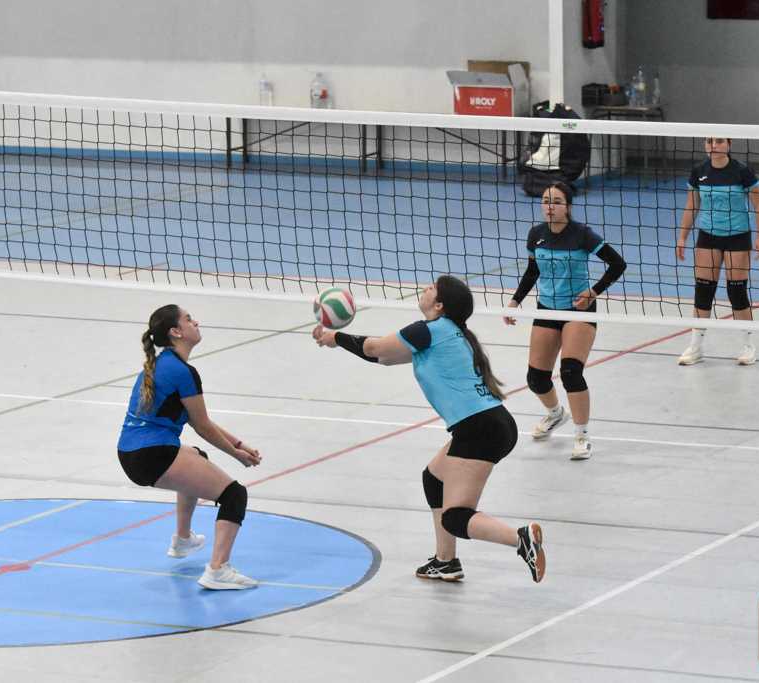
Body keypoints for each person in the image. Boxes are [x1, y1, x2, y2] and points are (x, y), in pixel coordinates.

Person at [313, 275, 546, 583]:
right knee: (434, 479)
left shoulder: (427, 331)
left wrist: (337, 337)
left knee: (456, 517)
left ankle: (521, 539)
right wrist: (340, 340)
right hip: (490, 424)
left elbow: (374, 347)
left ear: (439, 305)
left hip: (479, 428)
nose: (425, 288)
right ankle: (445, 562)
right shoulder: (444, 333)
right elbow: (383, 357)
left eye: (433, 288)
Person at [117, 304, 263, 590]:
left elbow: (199, 420)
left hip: (131, 454)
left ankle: (183, 540)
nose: (196, 322)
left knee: (197, 456)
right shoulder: (183, 372)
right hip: (153, 455)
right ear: (176, 332)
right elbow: (202, 425)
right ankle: (218, 570)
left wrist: (239, 443)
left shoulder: (161, 364)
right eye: (188, 319)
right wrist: (236, 455)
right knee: (234, 495)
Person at [505, 181, 626, 460]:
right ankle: (555, 413)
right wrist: (515, 301)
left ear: (568, 207)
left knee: (571, 372)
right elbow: (532, 271)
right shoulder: (536, 234)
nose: (550, 207)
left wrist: (594, 291)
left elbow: (618, 264)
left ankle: (582, 435)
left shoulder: (582, 235)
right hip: (547, 309)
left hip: (578, 311)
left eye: (557, 202)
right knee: (536, 378)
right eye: (546, 201)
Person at [676, 136, 759, 365]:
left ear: (729, 144)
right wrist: (682, 237)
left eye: (719, 141)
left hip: (738, 236)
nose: (713, 146)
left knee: (737, 291)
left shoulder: (742, 172)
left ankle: (748, 346)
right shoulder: (699, 172)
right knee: (703, 290)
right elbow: (692, 206)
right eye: (709, 141)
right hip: (708, 235)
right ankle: (696, 346)